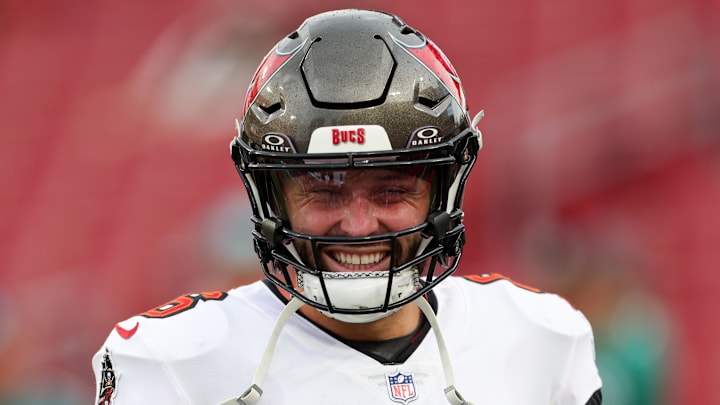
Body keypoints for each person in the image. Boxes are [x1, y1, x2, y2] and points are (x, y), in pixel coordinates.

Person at [92, 9, 603, 404]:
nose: (358, 226)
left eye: (392, 191)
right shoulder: (174, 362)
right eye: (324, 190)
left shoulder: (541, 336)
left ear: (441, 191)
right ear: (274, 198)